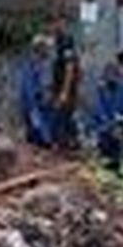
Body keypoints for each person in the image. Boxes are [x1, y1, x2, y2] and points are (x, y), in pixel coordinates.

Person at [49, 15, 82, 149]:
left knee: (64, 118)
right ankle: (67, 145)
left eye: (57, 22)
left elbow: (70, 68)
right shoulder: (57, 42)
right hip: (59, 87)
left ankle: (71, 145)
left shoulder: (66, 41)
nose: (54, 26)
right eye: (52, 23)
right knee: (61, 119)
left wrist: (64, 91)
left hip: (66, 89)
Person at [19, 35, 54, 148]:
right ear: (39, 48)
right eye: (45, 47)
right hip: (35, 106)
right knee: (38, 134)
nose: (48, 50)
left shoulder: (45, 64)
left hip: (44, 105)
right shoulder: (31, 65)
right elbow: (28, 90)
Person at [92, 62, 123, 171]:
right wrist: (111, 126)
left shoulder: (121, 89)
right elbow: (100, 112)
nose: (112, 77)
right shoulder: (101, 91)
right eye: (109, 74)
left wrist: (121, 122)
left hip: (118, 127)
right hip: (105, 129)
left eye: (114, 74)